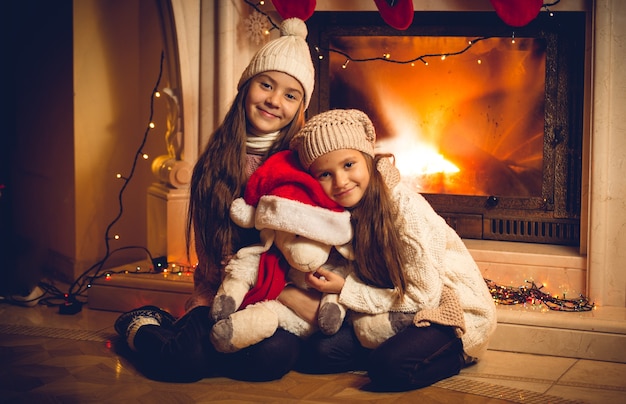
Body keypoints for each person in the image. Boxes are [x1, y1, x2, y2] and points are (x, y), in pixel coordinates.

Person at [114, 17, 315, 383]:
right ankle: (141, 326)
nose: (274, 100)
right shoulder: (217, 161)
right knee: (184, 363)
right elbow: (211, 259)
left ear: (301, 106)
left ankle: (208, 349)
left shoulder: (301, 163)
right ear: (246, 87)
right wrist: (214, 305)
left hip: (271, 300)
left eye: (290, 94)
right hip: (219, 289)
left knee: (275, 356)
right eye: (265, 85)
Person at [288, 109, 498, 392]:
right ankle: (390, 346)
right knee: (317, 353)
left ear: (369, 160)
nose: (340, 182)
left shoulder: (405, 208)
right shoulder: (342, 213)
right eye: (325, 174)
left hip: (447, 310)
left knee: (388, 369)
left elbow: (424, 296)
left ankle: (452, 356)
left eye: (349, 164)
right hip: (393, 310)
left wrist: (346, 291)